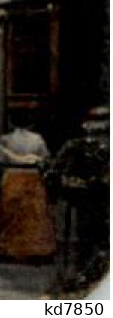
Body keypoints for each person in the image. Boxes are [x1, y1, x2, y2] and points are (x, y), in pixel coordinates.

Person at [46, 107, 109, 294]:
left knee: (97, 240)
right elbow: (55, 172)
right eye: (96, 123)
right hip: (80, 200)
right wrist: (72, 183)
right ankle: (74, 279)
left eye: (103, 124)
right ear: (86, 125)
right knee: (79, 239)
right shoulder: (74, 147)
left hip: (101, 200)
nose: (100, 129)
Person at [0, 117, 54, 261]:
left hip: (13, 174)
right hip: (32, 175)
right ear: (31, 123)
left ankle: (8, 248)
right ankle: (34, 248)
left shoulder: (6, 139)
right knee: (33, 212)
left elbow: (0, 159)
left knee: (11, 211)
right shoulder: (37, 139)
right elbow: (44, 158)